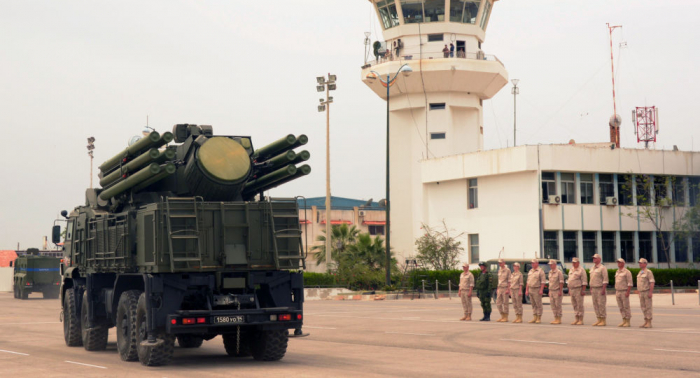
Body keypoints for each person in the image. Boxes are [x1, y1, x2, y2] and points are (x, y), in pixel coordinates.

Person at [589, 254, 609, 326]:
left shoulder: (602, 268)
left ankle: (603, 320)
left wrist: (603, 289)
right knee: (595, 305)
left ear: (599, 259)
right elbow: (591, 279)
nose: (594, 259)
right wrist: (591, 288)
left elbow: (605, 279)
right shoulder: (592, 268)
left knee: (601, 304)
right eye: (593, 258)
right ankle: (598, 319)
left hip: (600, 288)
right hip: (593, 288)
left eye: (595, 258)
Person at [567, 257, 587, 325]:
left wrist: (583, 290)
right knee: (574, 305)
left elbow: (584, 281)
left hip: (578, 289)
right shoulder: (571, 270)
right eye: (573, 262)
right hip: (572, 289)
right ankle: (576, 318)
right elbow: (569, 280)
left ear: (578, 263)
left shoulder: (581, 270)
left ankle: (581, 319)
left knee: (579, 305)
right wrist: (569, 289)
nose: (573, 264)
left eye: (575, 262)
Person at [614, 258, 633, 327]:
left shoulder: (627, 272)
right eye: (618, 262)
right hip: (618, 291)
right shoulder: (617, 272)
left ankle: (628, 321)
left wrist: (628, 292)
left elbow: (630, 283)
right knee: (621, 307)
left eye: (620, 262)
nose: (618, 263)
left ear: (623, 263)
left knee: (626, 306)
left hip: (624, 291)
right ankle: (624, 320)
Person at [525, 259, 545, 324]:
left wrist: (541, 290)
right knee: (533, 304)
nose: (532, 264)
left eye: (534, 263)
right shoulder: (530, 271)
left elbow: (543, 282)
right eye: (532, 263)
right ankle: (534, 317)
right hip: (531, 289)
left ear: (537, 263)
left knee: (538, 304)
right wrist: (527, 290)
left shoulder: (540, 271)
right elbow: (528, 281)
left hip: (537, 289)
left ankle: (539, 317)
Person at [637, 258, 655, 328]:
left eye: (641, 263)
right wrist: (639, 292)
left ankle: (649, 322)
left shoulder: (648, 272)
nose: (640, 264)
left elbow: (652, 282)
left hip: (646, 291)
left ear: (645, 264)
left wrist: (650, 292)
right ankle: (645, 321)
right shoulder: (640, 272)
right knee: (643, 307)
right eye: (639, 263)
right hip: (641, 292)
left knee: (648, 307)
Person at [547, 260, 564, 324]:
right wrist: (549, 291)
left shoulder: (559, 272)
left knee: (558, 305)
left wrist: (560, 291)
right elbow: (550, 282)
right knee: (553, 305)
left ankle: (559, 319)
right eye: (550, 264)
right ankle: (555, 318)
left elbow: (561, 282)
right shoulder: (550, 272)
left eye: (551, 264)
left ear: (555, 265)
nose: (550, 265)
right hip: (551, 291)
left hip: (557, 290)